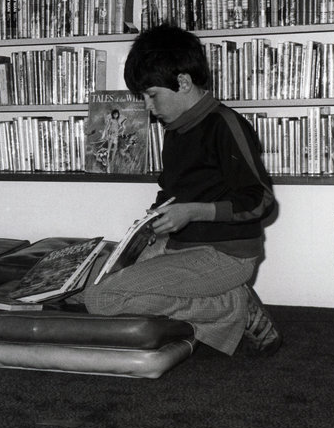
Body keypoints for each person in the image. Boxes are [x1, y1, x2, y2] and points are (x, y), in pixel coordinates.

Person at [81, 23, 282, 356]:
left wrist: (192, 211)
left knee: (102, 299)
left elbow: (260, 201)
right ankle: (221, 307)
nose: (147, 107)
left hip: (226, 256)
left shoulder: (225, 125)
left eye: (152, 95)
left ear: (184, 82)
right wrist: (154, 222)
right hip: (181, 248)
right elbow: (173, 190)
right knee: (93, 282)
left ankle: (233, 306)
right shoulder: (175, 130)